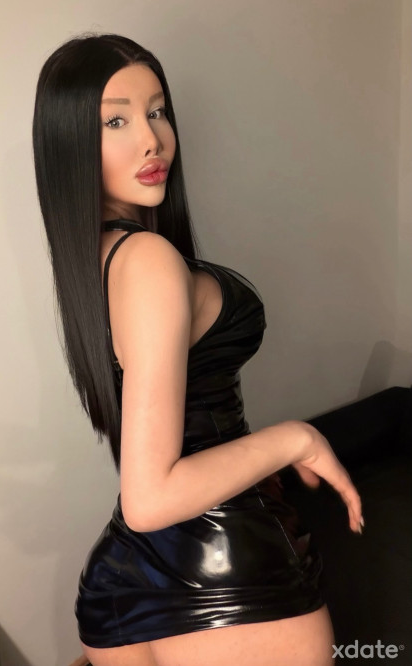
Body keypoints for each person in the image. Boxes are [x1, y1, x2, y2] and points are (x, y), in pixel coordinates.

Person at [32, 32, 364, 666]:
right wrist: (295, 440)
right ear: (70, 143)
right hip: (225, 575)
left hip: (125, 583)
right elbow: (150, 498)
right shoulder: (147, 260)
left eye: (157, 111)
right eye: (116, 121)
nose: (152, 139)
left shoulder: (100, 257)